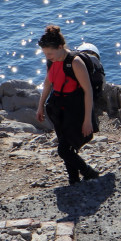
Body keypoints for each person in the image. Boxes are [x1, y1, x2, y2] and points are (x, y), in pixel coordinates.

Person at [35, 25, 100, 184]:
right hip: (59, 109)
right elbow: (48, 82)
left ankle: (89, 173)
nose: (48, 56)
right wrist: (40, 105)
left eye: (49, 53)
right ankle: (74, 179)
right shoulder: (52, 61)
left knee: (64, 150)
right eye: (45, 54)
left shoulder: (76, 62)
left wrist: (87, 120)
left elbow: (88, 91)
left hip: (75, 110)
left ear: (60, 47)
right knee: (67, 147)